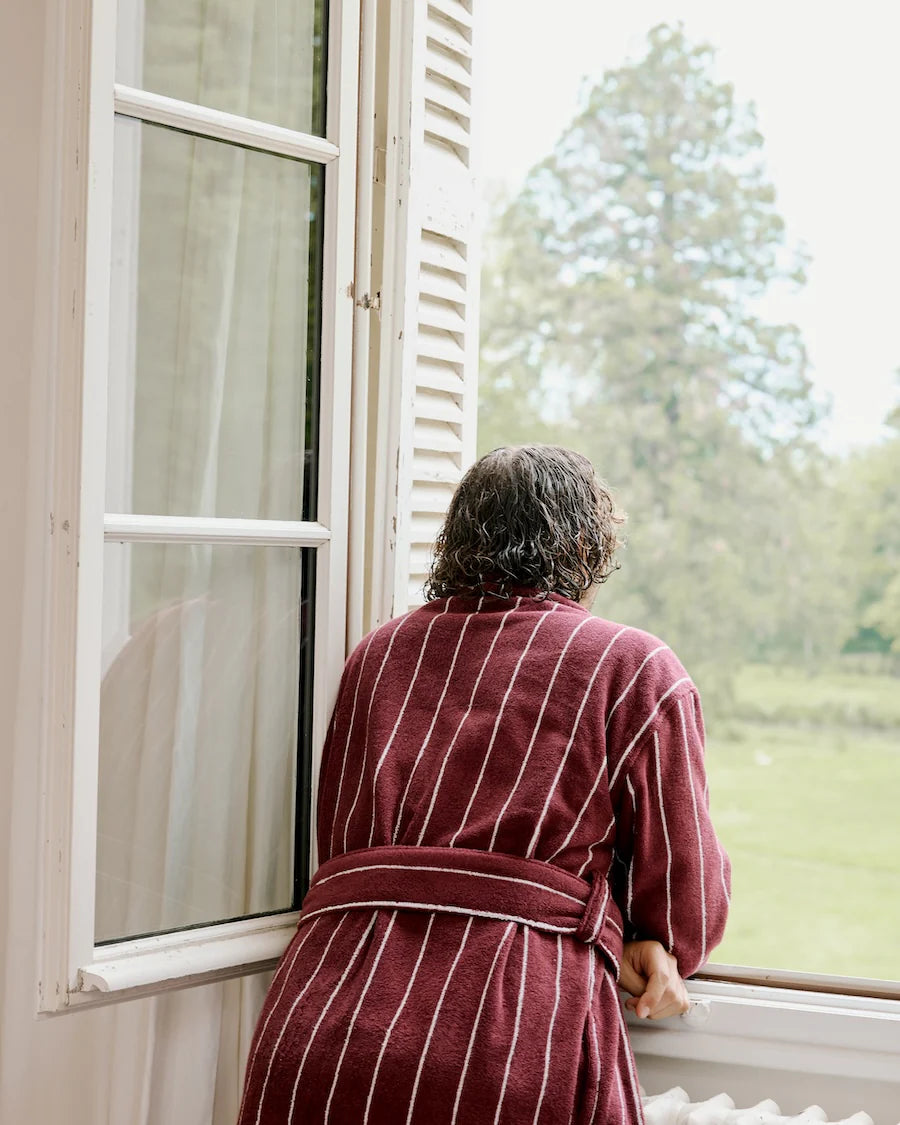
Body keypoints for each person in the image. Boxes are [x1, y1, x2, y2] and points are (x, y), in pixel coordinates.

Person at [237, 444, 731, 1125]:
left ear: (459, 541)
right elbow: (686, 902)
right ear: (584, 548)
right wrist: (646, 934)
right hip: (504, 1037)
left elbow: (344, 843)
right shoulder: (632, 666)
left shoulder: (377, 655)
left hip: (319, 1023)